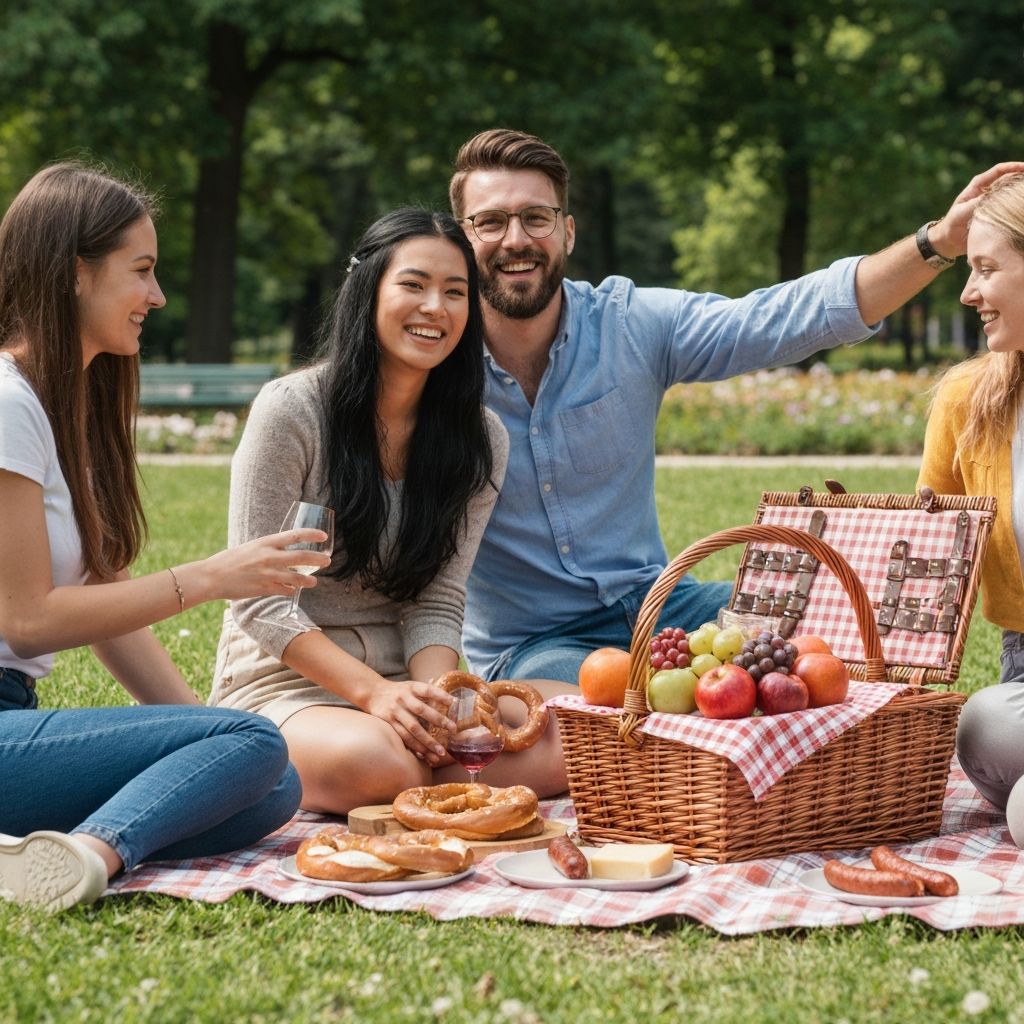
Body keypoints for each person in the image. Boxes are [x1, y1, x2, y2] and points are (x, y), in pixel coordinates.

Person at [447, 127, 1024, 685]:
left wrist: (939, 242)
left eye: (536, 218)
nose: (516, 239)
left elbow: (787, 314)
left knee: (838, 627)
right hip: (536, 648)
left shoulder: (628, 326)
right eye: (491, 222)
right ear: (461, 238)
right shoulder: (435, 366)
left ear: (567, 232)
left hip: (665, 609)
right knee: (594, 707)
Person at [0, 162, 332, 912]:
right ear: (74, 274)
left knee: (271, 785)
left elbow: (104, 603)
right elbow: (24, 619)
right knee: (253, 748)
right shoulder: (7, 402)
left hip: (13, 721)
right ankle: (90, 854)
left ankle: (46, 842)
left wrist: (204, 735)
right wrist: (209, 578)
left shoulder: (64, 408)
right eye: (141, 272)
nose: (157, 296)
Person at [208, 208, 567, 816]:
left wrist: (433, 698)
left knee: (583, 726)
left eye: (455, 292)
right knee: (383, 763)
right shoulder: (290, 412)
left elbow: (438, 598)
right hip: (287, 681)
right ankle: (438, 777)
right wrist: (374, 696)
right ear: (369, 289)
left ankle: (436, 774)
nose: (435, 307)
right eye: (413, 284)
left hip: (406, 683)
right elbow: (258, 601)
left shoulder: (480, 438)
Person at [917, 171, 1024, 847]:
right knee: (982, 721)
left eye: (986, 268)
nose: (968, 291)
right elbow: (925, 578)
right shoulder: (968, 399)